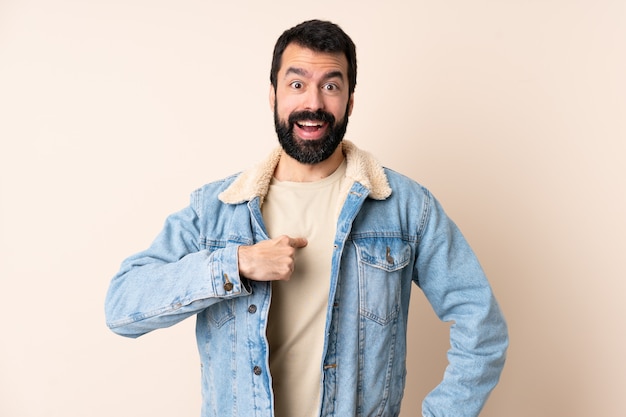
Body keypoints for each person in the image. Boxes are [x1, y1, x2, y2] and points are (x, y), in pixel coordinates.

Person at [105, 19, 508, 417]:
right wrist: (237, 263)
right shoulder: (215, 210)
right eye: (297, 84)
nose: (313, 103)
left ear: (350, 100)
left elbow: (481, 326)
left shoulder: (404, 206)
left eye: (330, 86)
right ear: (273, 95)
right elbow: (123, 306)